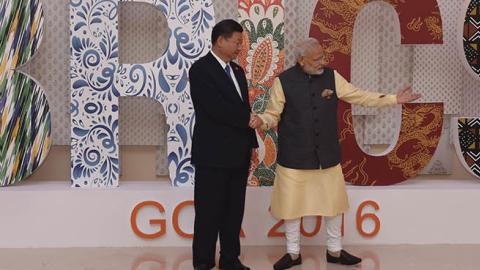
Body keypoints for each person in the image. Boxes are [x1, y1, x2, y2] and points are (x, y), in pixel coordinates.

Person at [249, 38, 421, 269]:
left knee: (334, 205)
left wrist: (393, 99)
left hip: (326, 156)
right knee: (291, 207)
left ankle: (335, 251)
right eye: (317, 58)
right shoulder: (284, 81)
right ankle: (292, 254)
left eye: (323, 56)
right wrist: (261, 120)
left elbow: (359, 95)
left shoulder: (332, 77)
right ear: (301, 60)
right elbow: (273, 114)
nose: (323, 62)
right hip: (294, 157)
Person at [189, 19, 259, 270]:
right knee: (208, 213)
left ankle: (230, 259)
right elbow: (214, 108)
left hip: (238, 154)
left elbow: (243, 107)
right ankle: (203, 262)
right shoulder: (200, 69)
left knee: (233, 212)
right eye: (237, 41)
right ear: (220, 40)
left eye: (241, 42)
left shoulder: (238, 71)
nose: (240, 46)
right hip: (212, 155)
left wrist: (251, 145)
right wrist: (247, 120)